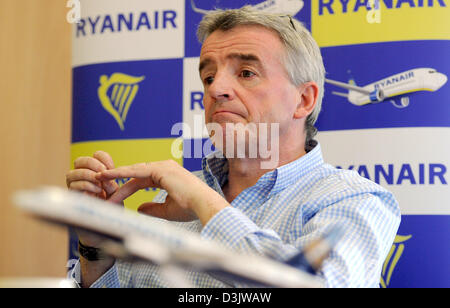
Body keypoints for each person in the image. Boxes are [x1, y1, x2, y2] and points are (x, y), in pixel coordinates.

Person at [66, 7, 400, 288]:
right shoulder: (162, 204)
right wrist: (97, 248)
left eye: (245, 72)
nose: (217, 89)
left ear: (304, 100)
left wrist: (202, 202)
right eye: (209, 77)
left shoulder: (357, 201)